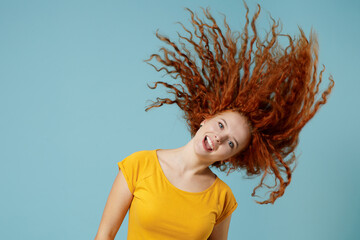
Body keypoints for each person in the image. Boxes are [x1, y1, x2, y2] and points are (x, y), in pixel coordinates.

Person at [95, 3, 334, 240]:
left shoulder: (222, 198)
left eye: (231, 144)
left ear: (231, 158)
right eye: (221, 125)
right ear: (206, 117)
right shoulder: (139, 165)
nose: (220, 138)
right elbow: (104, 235)